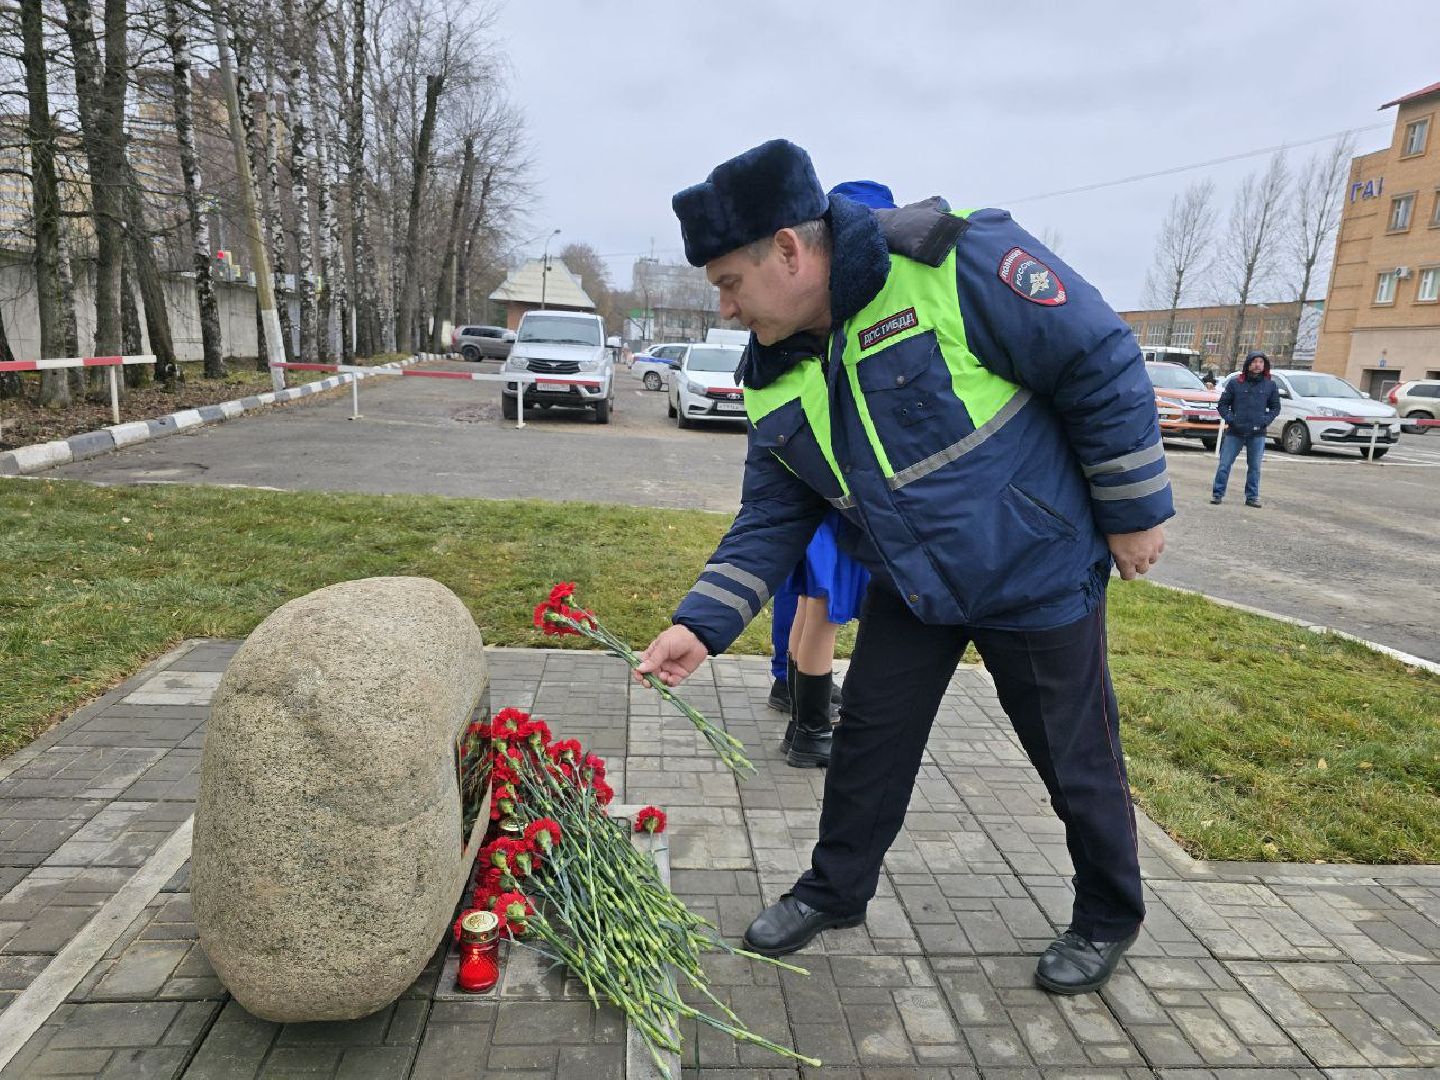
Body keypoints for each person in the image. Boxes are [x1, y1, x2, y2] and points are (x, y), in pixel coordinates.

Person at [637, 139, 1171, 996]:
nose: (728, 310)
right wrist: (698, 624)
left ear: (788, 250)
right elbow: (773, 513)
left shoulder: (947, 262)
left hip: (1032, 567)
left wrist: (1136, 510)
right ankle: (834, 891)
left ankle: (1109, 915)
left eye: (730, 283)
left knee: (1073, 758)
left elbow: (1096, 354)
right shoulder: (771, 373)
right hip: (916, 586)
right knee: (868, 742)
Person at [766, 182, 891, 768]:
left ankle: (797, 700)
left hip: (811, 499)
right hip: (836, 502)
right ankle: (812, 731)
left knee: (810, 610)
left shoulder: (806, 324)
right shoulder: (844, 322)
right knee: (823, 617)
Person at [1211, 351, 1280, 508]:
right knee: (1224, 464)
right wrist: (1231, 419)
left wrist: (1265, 420)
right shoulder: (1236, 383)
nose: (1257, 365)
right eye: (1254, 361)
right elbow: (1222, 405)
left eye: (1261, 362)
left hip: (1257, 433)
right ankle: (1217, 493)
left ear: (1265, 365)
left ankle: (1252, 497)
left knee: (1255, 467)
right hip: (1235, 432)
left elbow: (1276, 407)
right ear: (1248, 364)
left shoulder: (1270, 385)